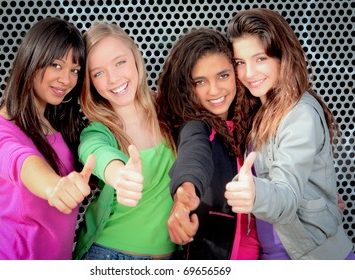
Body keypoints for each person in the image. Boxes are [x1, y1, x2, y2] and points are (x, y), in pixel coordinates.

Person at [225, 8, 355, 260]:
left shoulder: (299, 113)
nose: (249, 73)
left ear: (281, 57)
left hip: (313, 260)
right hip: (276, 255)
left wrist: (255, 194)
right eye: (240, 62)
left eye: (260, 58)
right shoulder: (259, 109)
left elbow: (287, 196)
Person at [0, 17, 95, 260]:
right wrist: (54, 186)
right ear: (31, 60)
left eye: (75, 70)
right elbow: (21, 161)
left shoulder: (61, 126)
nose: (67, 79)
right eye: (56, 65)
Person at [73, 22, 175, 260]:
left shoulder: (172, 111)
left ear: (135, 56)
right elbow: (94, 150)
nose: (113, 79)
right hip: (111, 256)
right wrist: (118, 175)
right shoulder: (99, 130)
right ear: (90, 82)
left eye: (120, 62)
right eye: (98, 73)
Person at [156, 28, 260, 259]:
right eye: (200, 81)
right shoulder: (197, 127)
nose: (215, 90)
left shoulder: (254, 123)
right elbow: (193, 158)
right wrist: (184, 197)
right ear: (186, 86)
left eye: (223, 75)